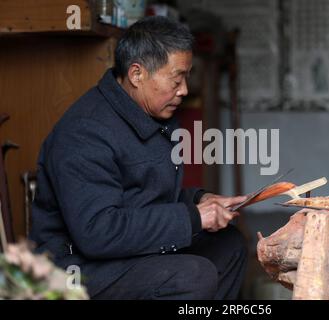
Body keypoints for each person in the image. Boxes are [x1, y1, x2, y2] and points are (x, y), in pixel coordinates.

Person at [29, 16, 248, 300]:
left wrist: (198, 202)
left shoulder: (153, 115)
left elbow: (144, 197)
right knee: (193, 276)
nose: (183, 90)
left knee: (229, 245)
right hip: (70, 267)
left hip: (114, 252)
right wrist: (192, 218)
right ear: (137, 74)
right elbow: (98, 232)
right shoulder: (85, 133)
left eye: (186, 78)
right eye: (176, 78)